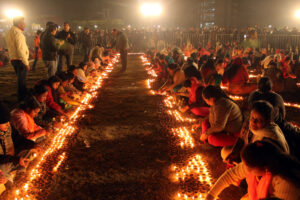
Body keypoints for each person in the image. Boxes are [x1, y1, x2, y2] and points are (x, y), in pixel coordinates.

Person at [206, 141, 300, 200]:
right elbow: (231, 175)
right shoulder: (260, 162)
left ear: (264, 167)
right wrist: (211, 194)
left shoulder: (286, 184)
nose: (245, 169)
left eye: (248, 168)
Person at [224, 101, 289, 165]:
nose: (254, 122)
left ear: (268, 121)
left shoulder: (268, 138)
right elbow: (241, 138)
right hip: (247, 153)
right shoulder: (249, 122)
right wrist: (235, 152)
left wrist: (241, 161)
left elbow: (261, 162)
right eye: (252, 117)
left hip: (260, 163)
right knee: (225, 151)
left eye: (259, 120)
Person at [0, 101, 33, 183]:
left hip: (10, 159)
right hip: (2, 164)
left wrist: (34, 145)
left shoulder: (8, 128)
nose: (8, 124)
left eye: (8, 121)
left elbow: (19, 139)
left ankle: (20, 174)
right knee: (4, 173)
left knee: (29, 151)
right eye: (4, 122)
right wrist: (16, 159)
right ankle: (9, 181)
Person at [5, 17, 30, 101]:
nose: (25, 24)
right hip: (20, 60)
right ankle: (22, 97)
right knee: (22, 80)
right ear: (19, 24)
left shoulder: (9, 32)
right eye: (23, 23)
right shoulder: (18, 33)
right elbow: (20, 49)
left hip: (14, 59)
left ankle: (22, 95)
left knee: (20, 79)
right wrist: (26, 63)